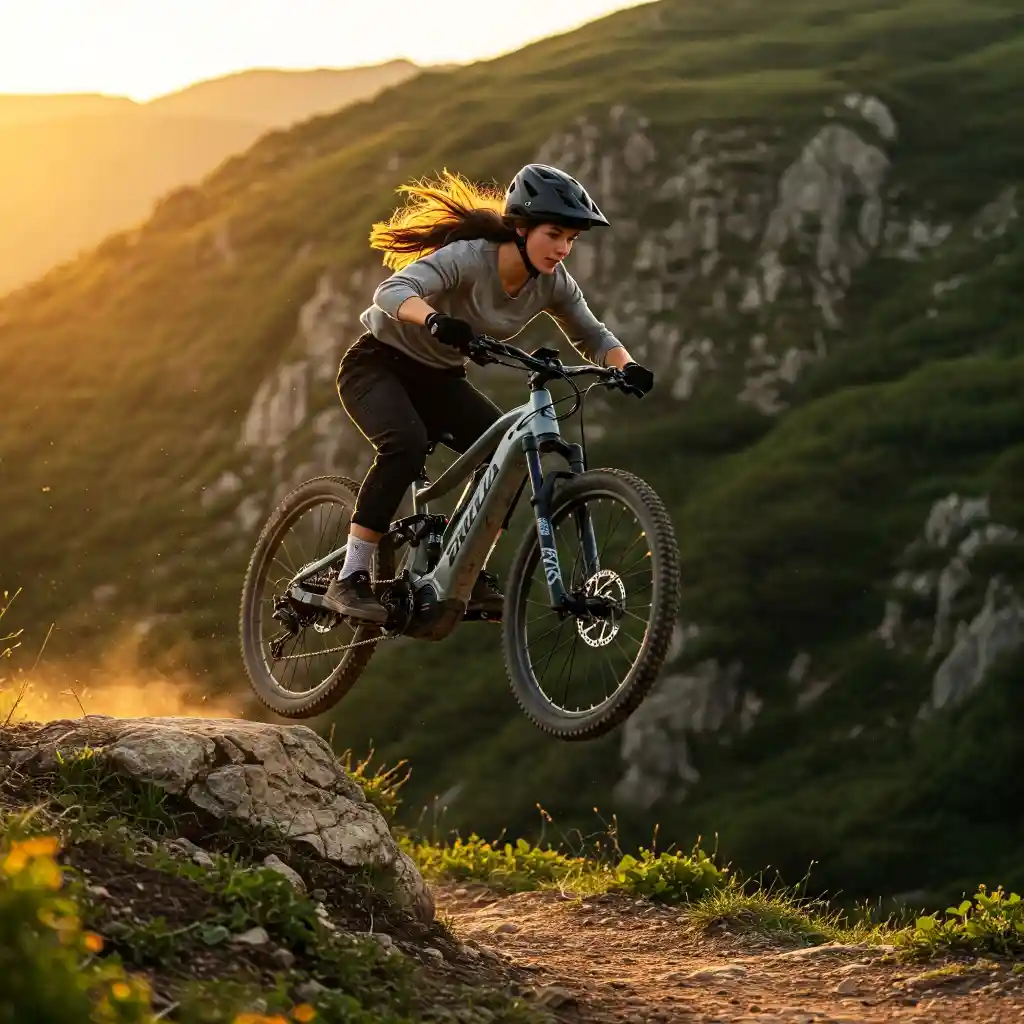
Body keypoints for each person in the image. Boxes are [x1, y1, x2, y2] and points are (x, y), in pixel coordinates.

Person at [324, 163, 655, 623]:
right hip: (378, 364)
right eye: (554, 234)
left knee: (508, 454)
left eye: (571, 241)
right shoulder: (469, 257)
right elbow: (392, 290)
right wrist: (434, 319)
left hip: (440, 379)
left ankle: (466, 572)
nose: (562, 249)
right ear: (521, 228)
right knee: (405, 444)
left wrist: (628, 367)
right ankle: (351, 576)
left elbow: (592, 334)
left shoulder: (553, 284)